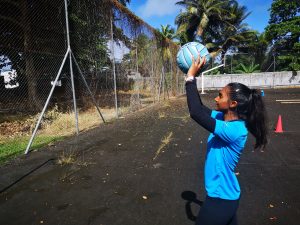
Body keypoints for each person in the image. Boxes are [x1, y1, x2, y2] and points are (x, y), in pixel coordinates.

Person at [185, 55, 268, 225]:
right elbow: (200, 108)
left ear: (233, 103)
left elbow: (195, 113)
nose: (216, 98)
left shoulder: (235, 130)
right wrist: (196, 75)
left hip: (221, 199)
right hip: (226, 196)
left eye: (220, 96)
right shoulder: (223, 118)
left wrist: (190, 79)